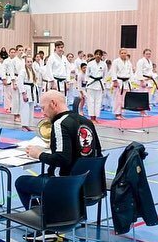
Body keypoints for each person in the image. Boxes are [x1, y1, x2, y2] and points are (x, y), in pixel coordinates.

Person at [15, 90, 102, 226]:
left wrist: (38, 154)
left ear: (53, 104)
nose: (43, 113)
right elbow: (97, 152)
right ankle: (57, 214)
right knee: (41, 177)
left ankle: (46, 223)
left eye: (43, 108)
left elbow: (62, 159)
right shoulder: (86, 121)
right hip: (89, 185)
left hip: (66, 185)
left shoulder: (59, 123)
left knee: (21, 182)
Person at [110, 49, 133, 119]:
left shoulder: (128, 62)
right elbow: (113, 71)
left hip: (126, 82)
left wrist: (131, 82)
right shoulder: (116, 61)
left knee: (124, 99)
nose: (123, 54)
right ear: (119, 54)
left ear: (127, 54)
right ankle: (117, 113)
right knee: (118, 99)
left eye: (125, 53)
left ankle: (121, 113)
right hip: (119, 82)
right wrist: (115, 81)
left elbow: (131, 73)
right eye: (122, 53)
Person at [18, 54, 39, 131]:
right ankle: (23, 125)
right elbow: (20, 82)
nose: (30, 63)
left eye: (31, 62)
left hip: (32, 90)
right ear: (25, 62)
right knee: (25, 108)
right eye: (28, 62)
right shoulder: (23, 71)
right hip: (26, 90)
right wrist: (23, 93)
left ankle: (28, 124)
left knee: (30, 108)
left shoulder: (32, 70)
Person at [84, 50, 106, 122]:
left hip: (99, 84)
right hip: (91, 84)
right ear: (94, 55)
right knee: (91, 101)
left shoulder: (104, 64)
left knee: (98, 102)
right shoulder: (90, 64)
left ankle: (96, 117)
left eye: (100, 54)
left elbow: (105, 75)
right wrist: (86, 83)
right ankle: (92, 118)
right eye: (96, 54)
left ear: (101, 56)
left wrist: (104, 84)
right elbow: (87, 74)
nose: (98, 56)